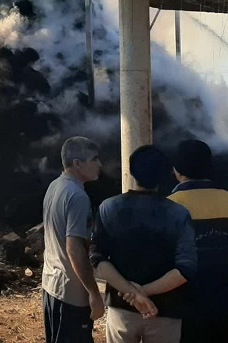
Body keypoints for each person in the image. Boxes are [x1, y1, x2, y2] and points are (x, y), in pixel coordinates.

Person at [90, 145, 197, 343]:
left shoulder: (109, 207)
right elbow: (186, 269)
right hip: (166, 310)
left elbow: (97, 258)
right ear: (166, 174)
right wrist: (143, 293)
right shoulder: (178, 213)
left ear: (131, 171)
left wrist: (132, 293)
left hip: (122, 307)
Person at [168, 139, 228, 343]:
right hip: (226, 306)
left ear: (176, 171)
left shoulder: (168, 207)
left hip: (183, 309)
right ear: (210, 167)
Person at [42, 136, 105, 343]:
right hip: (72, 295)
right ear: (77, 163)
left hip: (51, 285)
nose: (99, 164)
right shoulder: (77, 197)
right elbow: (74, 249)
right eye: (94, 159)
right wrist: (94, 293)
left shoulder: (54, 186)